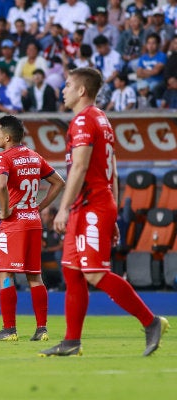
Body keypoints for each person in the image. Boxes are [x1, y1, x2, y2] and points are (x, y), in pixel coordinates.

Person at [39, 67, 169, 357]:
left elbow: (82, 167)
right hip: (93, 205)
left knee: (95, 274)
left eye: (68, 85)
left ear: (82, 90)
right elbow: (112, 171)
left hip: (91, 207)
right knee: (72, 272)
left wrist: (62, 209)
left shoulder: (84, 120)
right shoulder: (101, 119)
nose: (63, 89)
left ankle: (150, 322)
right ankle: (72, 341)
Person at [0, 115, 65, 342]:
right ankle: (42, 329)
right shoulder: (34, 156)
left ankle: (9, 329)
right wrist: (39, 207)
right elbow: (59, 182)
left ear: (8, 137)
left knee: (5, 274)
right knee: (34, 277)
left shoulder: (3, 158)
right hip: (33, 221)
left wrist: (5, 210)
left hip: (14, 224)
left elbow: (1, 185)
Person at [40, 207, 63, 291]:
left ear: (51, 216)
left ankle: (64, 284)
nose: (42, 217)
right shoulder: (43, 230)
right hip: (47, 256)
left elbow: (62, 245)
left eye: (45, 215)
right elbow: (42, 244)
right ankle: (40, 284)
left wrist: (47, 249)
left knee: (58, 254)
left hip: (59, 256)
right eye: (41, 215)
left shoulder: (59, 227)